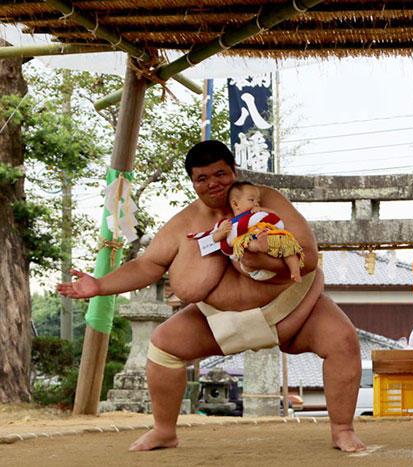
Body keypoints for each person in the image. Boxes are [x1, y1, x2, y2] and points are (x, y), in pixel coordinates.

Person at [58, 140, 365, 452]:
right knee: (163, 347)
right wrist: (100, 285)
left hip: (291, 308)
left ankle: (342, 429)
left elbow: (307, 254)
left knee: (342, 340)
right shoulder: (184, 223)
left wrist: (264, 258)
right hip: (218, 321)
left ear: (233, 171)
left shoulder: (265, 200)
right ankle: (164, 430)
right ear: (193, 183)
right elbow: (148, 265)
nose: (212, 184)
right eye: (202, 178)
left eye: (219, 174)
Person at [207, 181, 303, 282]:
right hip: (254, 270)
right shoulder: (228, 223)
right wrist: (221, 233)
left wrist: (263, 209)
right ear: (235, 204)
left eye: (258, 201)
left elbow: (275, 216)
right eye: (251, 200)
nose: (256, 203)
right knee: (248, 245)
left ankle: (295, 272)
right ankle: (260, 245)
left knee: (288, 247)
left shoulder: (259, 213)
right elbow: (214, 238)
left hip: (274, 256)